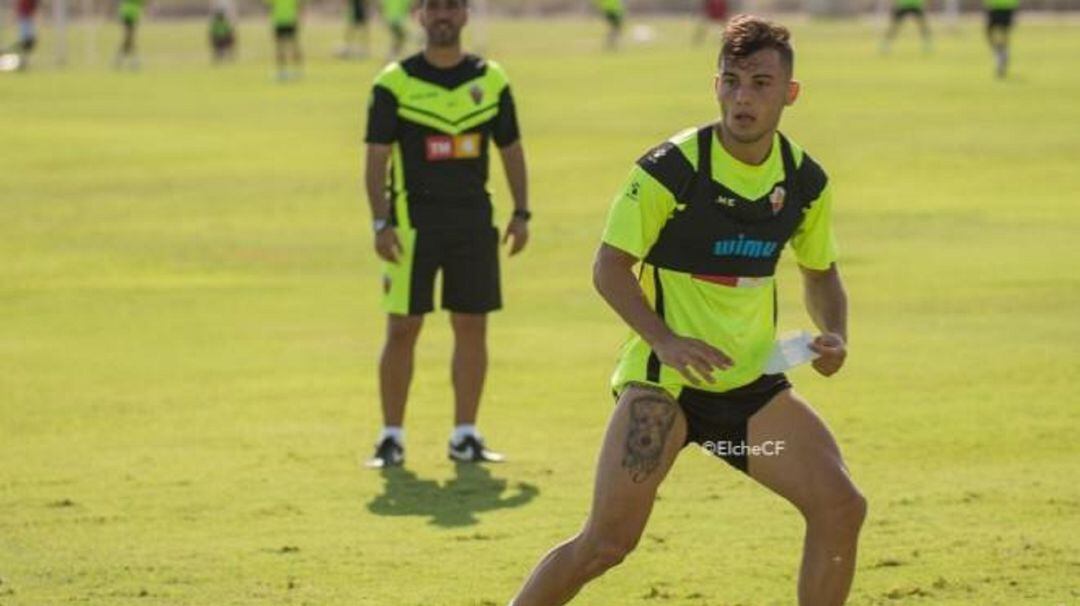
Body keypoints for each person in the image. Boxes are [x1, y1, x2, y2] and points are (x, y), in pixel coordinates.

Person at [511, 15, 865, 606]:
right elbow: (609, 267)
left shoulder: (804, 181)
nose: (743, 97)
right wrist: (666, 341)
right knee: (605, 544)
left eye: (760, 82)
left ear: (790, 93)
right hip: (665, 390)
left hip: (749, 396)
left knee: (841, 506)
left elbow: (821, 271)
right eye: (731, 81)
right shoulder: (670, 169)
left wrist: (836, 336)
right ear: (716, 85)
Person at [362, 0, 530, 468]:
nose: (443, 15)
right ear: (419, 15)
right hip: (412, 227)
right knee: (402, 329)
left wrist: (522, 212)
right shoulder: (393, 82)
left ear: (465, 15)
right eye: (434, 6)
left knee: (472, 326)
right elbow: (376, 159)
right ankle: (391, 437)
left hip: (475, 224)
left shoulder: (491, 79)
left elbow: (511, 148)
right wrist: (381, 221)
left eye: (452, 7)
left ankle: (465, 434)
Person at [266, 0, 302, 80]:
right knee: (281, 47)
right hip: (281, 21)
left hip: (289, 20)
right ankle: (282, 71)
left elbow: (298, 6)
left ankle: (297, 70)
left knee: (293, 47)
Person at [984, 0, 1018, 78]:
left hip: (1005, 6)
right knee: (992, 32)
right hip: (996, 6)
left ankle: (1002, 53)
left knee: (1002, 32)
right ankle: (1001, 52)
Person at [115, 0, 146, 70]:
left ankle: (120, 59)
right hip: (127, 15)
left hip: (133, 15)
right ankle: (133, 60)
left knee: (129, 39)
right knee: (129, 38)